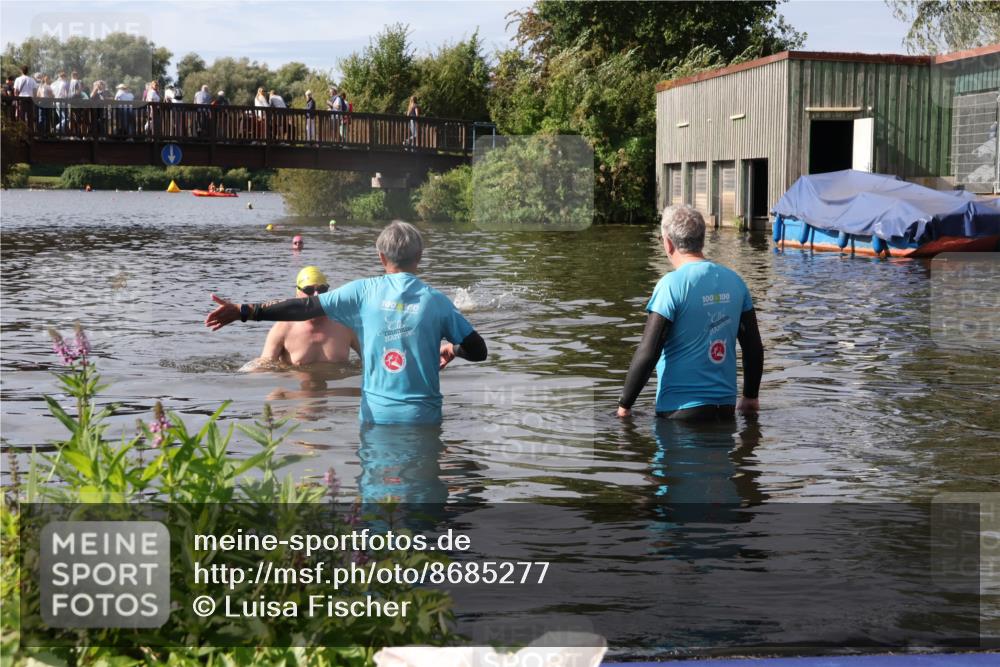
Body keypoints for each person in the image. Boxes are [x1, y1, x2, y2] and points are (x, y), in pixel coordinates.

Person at [206, 221, 488, 424]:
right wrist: (451, 350)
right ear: (420, 257)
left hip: (377, 418)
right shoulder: (437, 301)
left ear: (381, 258)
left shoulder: (362, 291)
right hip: (424, 417)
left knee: (379, 500)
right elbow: (479, 351)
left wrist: (245, 311)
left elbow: (303, 308)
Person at [616, 205, 764, 421]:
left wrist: (624, 405)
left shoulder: (670, 286)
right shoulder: (736, 282)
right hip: (725, 411)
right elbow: (753, 347)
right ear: (702, 239)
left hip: (679, 414)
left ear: (667, 242)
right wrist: (750, 397)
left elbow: (648, 352)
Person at [257, 266, 359, 366]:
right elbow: (264, 366)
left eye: (322, 289)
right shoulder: (283, 328)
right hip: (296, 381)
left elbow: (372, 357)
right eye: (309, 290)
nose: (316, 295)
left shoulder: (345, 326)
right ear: (297, 294)